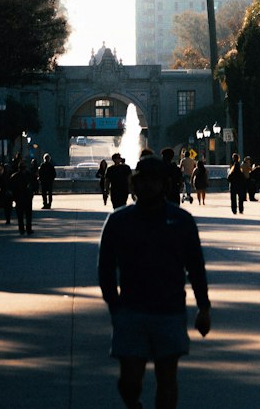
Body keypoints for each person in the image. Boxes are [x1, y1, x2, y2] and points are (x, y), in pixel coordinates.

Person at [98, 153, 212, 409]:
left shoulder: (181, 221)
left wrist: (204, 307)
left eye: (154, 180)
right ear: (134, 185)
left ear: (164, 185)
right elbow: (105, 268)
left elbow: (195, 266)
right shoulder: (118, 221)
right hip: (130, 310)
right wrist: (114, 306)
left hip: (169, 309)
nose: (148, 186)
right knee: (128, 382)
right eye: (142, 181)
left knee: (167, 378)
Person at [8, 157, 36, 235]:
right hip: (27, 197)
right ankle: (28, 229)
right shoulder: (29, 175)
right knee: (28, 215)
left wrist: (13, 196)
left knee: (20, 215)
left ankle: (22, 229)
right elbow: (34, 184)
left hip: (19, 198)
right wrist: (32, 192)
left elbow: (10, 187)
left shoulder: (14, 176)